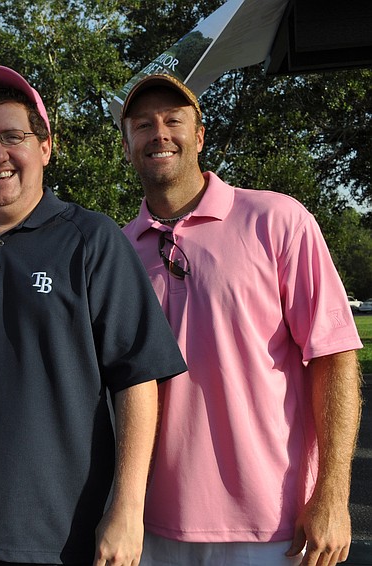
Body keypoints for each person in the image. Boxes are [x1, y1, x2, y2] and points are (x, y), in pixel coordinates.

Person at [0, 65, 187, 566]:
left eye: (12, 136)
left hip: (64, 539)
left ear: (45, 147)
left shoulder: (93, 241)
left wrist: (128, 509)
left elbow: (138, 382)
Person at [119, 73, 363, 565]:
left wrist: (333, 496)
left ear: (200, 135)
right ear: (127, 145)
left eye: (173, 120)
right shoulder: (119, 251)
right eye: (143, 124)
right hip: (149, 528)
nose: (159, 134)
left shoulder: (277, 220)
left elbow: (334, 359)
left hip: (272, 525)